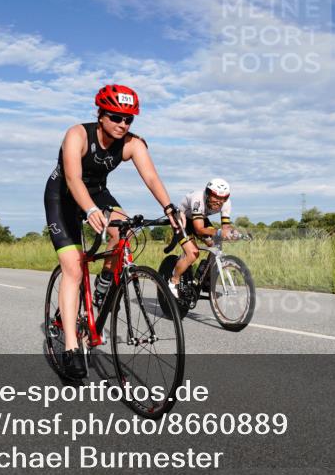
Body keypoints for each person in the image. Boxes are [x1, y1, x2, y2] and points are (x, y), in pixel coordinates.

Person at [44, 84, 182, 379]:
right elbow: (72, 177)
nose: (122, 124)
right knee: (74, 269)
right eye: (116, 117)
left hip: (98, 193)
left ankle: (104, 285)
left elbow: (151, 177)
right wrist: (91, 210)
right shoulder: (78, 135)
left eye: (129, 119)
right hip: (64, 196)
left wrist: (170, 209)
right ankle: (70, 347)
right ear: (101, 114)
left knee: (126, 228)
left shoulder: (133, 143)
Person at [168, 178, 235, 296]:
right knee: (193, 253)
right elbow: (199, 229)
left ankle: (205, 278)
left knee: (216, 245)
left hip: (199, 218)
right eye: (216, 197)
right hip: (182, 219)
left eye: (224, 198)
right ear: (208, 194)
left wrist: (232, 233)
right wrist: (219, 232)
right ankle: (173, 280)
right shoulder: (198, 199)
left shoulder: (226, 203)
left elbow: (226, 228)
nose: (220, 202)